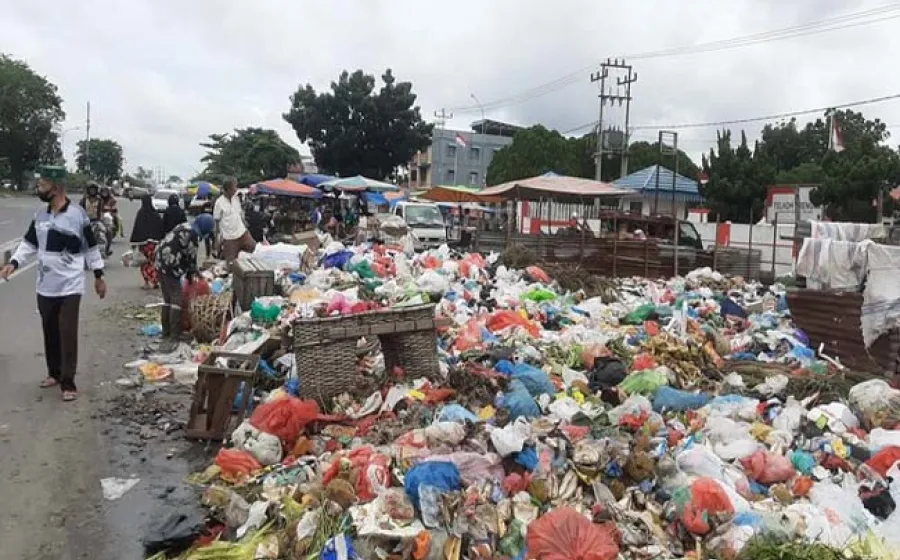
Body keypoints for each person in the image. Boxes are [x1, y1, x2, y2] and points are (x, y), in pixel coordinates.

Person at [0, 165, 106, 402]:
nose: (39, 188)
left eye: (43, 185)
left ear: (57, 187)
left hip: (71, 284)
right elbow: (29, 244)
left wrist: (99, 276)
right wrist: (13, 263)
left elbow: (91, 248)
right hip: (45, 285)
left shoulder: (77, 215)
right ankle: (54, 373)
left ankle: (68, 383)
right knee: (50, 330)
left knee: (67, 331)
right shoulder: (40, 215)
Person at [155, 214, 215, 349]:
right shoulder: (194, 234)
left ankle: (166, 331)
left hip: (160, 260)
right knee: (177, 299)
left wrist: (192, 273)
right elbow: (191, 258)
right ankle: (174, 335)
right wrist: (194, 275)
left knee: (167, 298)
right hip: (170, 264)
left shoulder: (185, 226)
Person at [213, 177, 255, 261]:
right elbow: (216, 223)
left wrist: (247, 229)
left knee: (254, 249)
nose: (236, 189)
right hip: (229, 238)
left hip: (242, 233)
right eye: (234, 187)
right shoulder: (219, 202)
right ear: (228, 189)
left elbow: (239, 215)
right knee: (231, 263)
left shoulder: (236, 198)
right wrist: (216, 241)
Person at [130, 194, 165, 289]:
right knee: (152, 263)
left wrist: (133, 243)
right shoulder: (155, 214)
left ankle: (146, 283)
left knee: (144, 263)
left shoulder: (140, 213)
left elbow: (137, 228)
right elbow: (160, 228)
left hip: (143, 244)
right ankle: (155, 281)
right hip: (154, 244)